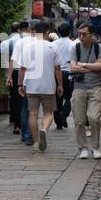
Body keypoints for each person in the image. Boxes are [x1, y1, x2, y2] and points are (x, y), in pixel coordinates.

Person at [18, 18, 63, 152]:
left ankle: (36, 142)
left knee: (33, 114)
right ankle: (44, 129)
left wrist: (20, 84)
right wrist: (60, 85)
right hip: (48, 86)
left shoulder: (27, 47)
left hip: (31, 86)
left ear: (34, 32)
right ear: (47, 32)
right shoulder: (53, 46)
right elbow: (58, 69)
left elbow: (22, 68)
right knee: (49, 113)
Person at [69, 22, 101, 159]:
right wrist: (94, 66)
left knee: (94, 118)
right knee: (79, 120)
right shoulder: (75, 48)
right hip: (79, 88)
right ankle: (83, 148)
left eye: (84, 34)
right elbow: (73, 68)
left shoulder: (100, 47)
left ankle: (95, 147)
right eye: (79, 34)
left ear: (92, 35)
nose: (81, 36)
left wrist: (84, 64)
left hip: (95, 88)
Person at [0, 22, 25, 136]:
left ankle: (16, 123)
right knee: (26, 99)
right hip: (28, 72)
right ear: (19, 30)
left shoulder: (8, 42)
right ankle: (25, 123)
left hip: (14, 71)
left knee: (14, 98)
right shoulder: (26, 40)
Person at [53, 22, 75, 130]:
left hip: (57, 72)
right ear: (69, 32)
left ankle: (58, 121)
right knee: (69, 97)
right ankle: (64, 114)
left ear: (58, 32)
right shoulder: (73, 44)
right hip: (69, 72)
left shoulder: (54, 44)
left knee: (57, 97)